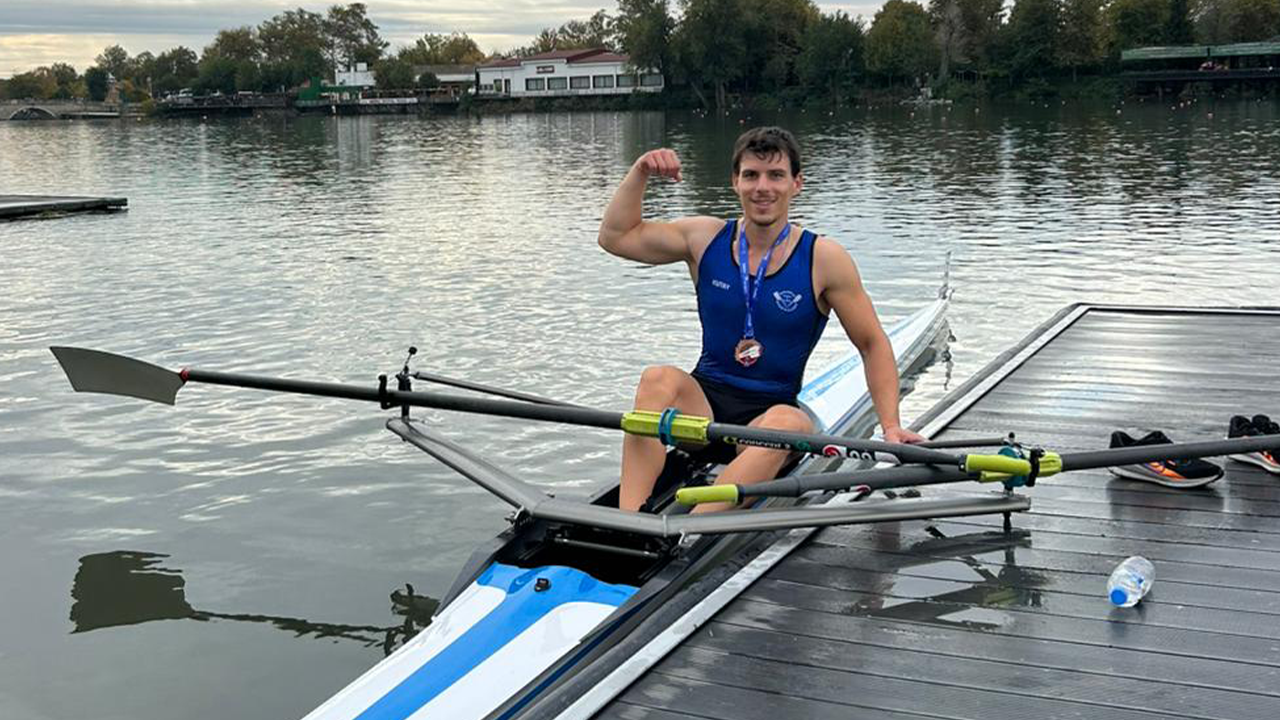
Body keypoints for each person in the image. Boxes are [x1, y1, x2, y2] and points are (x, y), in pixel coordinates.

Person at [597, 126, 925, 512]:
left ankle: (689, 532)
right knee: (658, 378)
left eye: (775, 175)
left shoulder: (823, 258)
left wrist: (890, 427)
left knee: (789, 423)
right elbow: (615, 238)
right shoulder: (704, 238)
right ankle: (630, 518)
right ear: (735, 182)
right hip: (702, 410)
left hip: (766, 418)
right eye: (751, 175)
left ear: (796, 184)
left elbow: (871, 343)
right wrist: (639, 172)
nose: (762, 187)